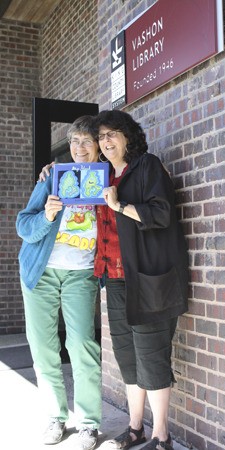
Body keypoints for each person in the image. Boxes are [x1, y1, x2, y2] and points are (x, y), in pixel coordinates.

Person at [94, 109, 189, 450]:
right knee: (127, 357)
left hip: (146, 278)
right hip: (114, 279)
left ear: (127, 136)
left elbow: (161, 213)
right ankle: (135, 428)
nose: (106, 142)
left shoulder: (147, 166)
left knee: (151, 355)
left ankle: (162, 434)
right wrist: (50, 172)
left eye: (112, 134)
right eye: (101, 136)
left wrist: (120, 206)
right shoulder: (101, 175)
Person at [16, 116, 102, 450]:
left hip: (81, 273)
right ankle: (55, 417)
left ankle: (89, 424)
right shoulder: (53, 176)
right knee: (43, 347)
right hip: (42, 272)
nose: (80, 148)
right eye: (75, 142)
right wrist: (48, 215)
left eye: (87, 142)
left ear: (97, 146)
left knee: (82, 344)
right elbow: (24, 225)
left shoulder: (107, 178)